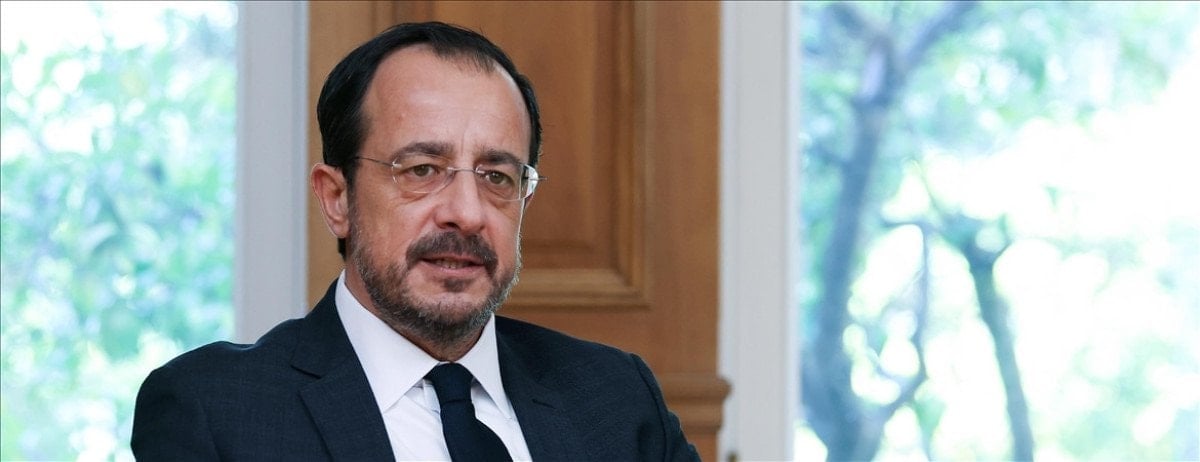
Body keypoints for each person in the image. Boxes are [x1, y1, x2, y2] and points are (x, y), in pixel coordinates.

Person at [131, 21, 698, 461]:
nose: (467, 214)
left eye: (497, 176)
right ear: (337, 199)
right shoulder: (217, 410)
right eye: (422, 170)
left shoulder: (615, 399)